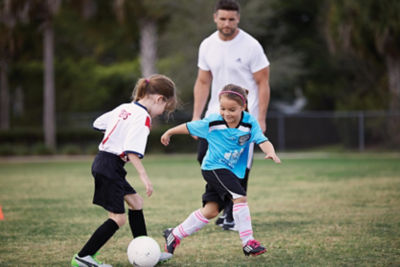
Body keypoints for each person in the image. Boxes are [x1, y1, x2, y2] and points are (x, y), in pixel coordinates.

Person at [161, 84, 281, 257]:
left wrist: (270, 152)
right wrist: (169, 132)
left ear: (243, 106)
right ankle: (248, 242)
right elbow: (190, 126)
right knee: (239, 197)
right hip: (214, 167)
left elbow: (262, 139)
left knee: (211, 211)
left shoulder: (250, 122)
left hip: (230, 171)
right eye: (223, 108)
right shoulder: (213, 121)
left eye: (232, 109)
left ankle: (174, 235)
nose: (226, 113)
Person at [71, 74, 177, 267]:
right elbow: (132, 151)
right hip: (109, 166)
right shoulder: (143, 117)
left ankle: (146, 252)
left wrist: (118, 132)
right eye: (165, 108)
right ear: (159, 98)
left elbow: (98, 124)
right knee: (118, 219)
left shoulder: (124, 108)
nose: (161, 112)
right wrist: (145, 177)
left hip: (106, 163)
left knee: (136, 202)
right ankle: (83, 257)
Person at [192, 0, 271, 230]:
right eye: (223, 18)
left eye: (232, 19)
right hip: (215, 116)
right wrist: (197, 115)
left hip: (243, 119)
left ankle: (232, 214)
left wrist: (261, 118)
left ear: (238, 19)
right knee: (204, 159)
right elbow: (203, 81)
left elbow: (262, 83)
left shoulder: (251, 45)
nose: (227, 23)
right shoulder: (207, 45)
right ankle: (226, 207)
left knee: (237, 166)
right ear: (215, 17)